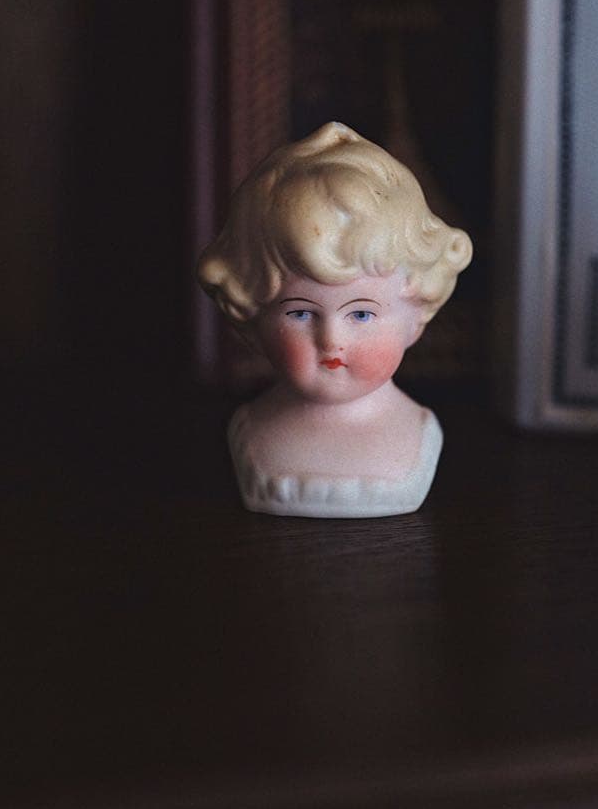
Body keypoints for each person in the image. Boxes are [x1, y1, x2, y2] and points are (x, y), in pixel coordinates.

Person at [198, 122, 472, 517]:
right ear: (253, 317)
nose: (331, 339)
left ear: (416, 312)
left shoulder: (417, 434)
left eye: (361, 313)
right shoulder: (249, 432)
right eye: (300, 313)